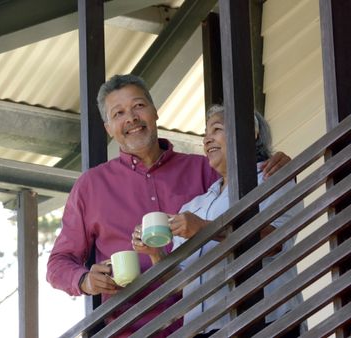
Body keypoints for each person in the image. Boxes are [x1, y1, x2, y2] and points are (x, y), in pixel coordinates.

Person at [46, 74, 290, 337]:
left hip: (209, 323)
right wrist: (84, 281)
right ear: (109, 128)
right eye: (118, 113)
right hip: (131, 330)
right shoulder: (90, 186)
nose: (131, 118)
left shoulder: (204, 169)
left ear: (155, 111)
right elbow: (58, 263)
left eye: (138, 106)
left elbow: (251, 191)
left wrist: (272, 158)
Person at [133, 104, 303, 337]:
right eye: (205, 133)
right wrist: (155, 253)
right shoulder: (195, 206)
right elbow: (180, 282)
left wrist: (204, 229)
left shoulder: (271, 177)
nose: (206, 139)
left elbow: (274, 241)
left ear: (249, 132)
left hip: (265, 321)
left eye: (216, 129)